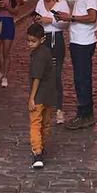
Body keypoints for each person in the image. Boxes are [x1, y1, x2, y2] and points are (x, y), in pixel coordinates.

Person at [55, 0, 97, 130]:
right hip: (78, 41)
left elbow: (92, 17)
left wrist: (70, 17)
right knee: (79, 78)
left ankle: (85, 114)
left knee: (82, 79)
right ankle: (84, 112)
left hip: (84, 42)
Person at [33, 0, 70, 124]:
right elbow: (37, 22)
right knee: (40, 76)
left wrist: (51, 21)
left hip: (56, 41)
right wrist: (37, 21)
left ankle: (59, 109)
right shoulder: (40, 4)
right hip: (42, 41)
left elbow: (66, 23)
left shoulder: (62, 4)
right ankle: (42, 107)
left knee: (55, 76)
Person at [26, 23, 57, 169]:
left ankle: (37, 152)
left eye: (33, 41)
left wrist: (31, 98)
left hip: (39, 96)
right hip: (50, 95)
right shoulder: (46, 52)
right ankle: (41, 146)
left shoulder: (38, 56)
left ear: (42, 39)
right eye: (29, 41)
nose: (30, 44)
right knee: (45, 124)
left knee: (35, 123)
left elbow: (36, 77)